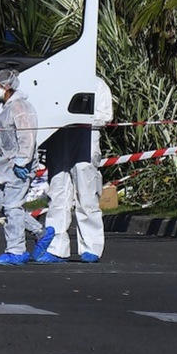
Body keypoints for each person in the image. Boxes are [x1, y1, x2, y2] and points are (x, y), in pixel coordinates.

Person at [36, 76, 113, 263]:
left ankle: (91, 247)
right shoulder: (57, 81)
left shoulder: (96, 84)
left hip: (86, 138)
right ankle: (55, 247)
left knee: (87, 194)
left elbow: (105, 115)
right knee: (57, 193)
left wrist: (82, 118)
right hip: (60, 137)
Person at [0, 68, 54, 266]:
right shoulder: (3, 106)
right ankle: (40, 233)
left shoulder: (21, 107)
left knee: (12, 207)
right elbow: (2, 137)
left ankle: (16, 250)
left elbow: (28, 137)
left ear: (7, 86)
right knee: (3, 204)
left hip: (19, 166)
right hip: (6, 165)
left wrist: (21, 161)